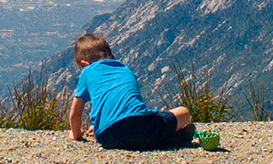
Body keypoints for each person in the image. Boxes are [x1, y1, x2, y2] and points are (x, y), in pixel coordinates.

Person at [67, 32, 196, 151]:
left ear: (85, 64)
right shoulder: (126, 69)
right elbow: (130, 109)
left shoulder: (87, 71)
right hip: (142, 129)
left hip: (107, 136)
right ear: (113, 57)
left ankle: (164, 139)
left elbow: (75, 113)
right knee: (184, 112)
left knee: (129, 133)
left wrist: (76, 134)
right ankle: (170, 138)